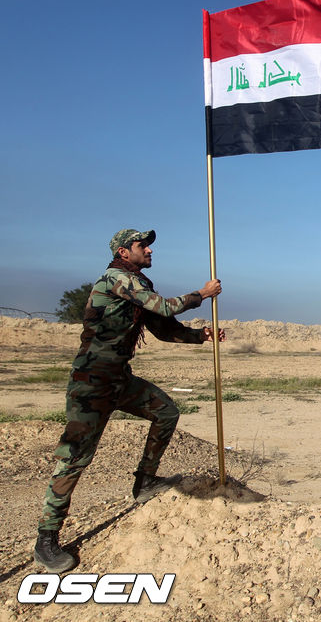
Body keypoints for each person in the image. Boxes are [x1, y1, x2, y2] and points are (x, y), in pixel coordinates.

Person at [35, 228, 225, 573]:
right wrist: (202, 293)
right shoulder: (116, 279)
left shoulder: (138, 286)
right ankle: (46, 539)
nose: (149, 250)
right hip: (92, 382)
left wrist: (202, 335)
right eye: (142, 246)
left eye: (149, 245)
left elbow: (164, 328)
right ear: (124, 252)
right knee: (76, 458)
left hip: (119, 379)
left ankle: (145, 481)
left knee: (166, 412)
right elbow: (165, 306)